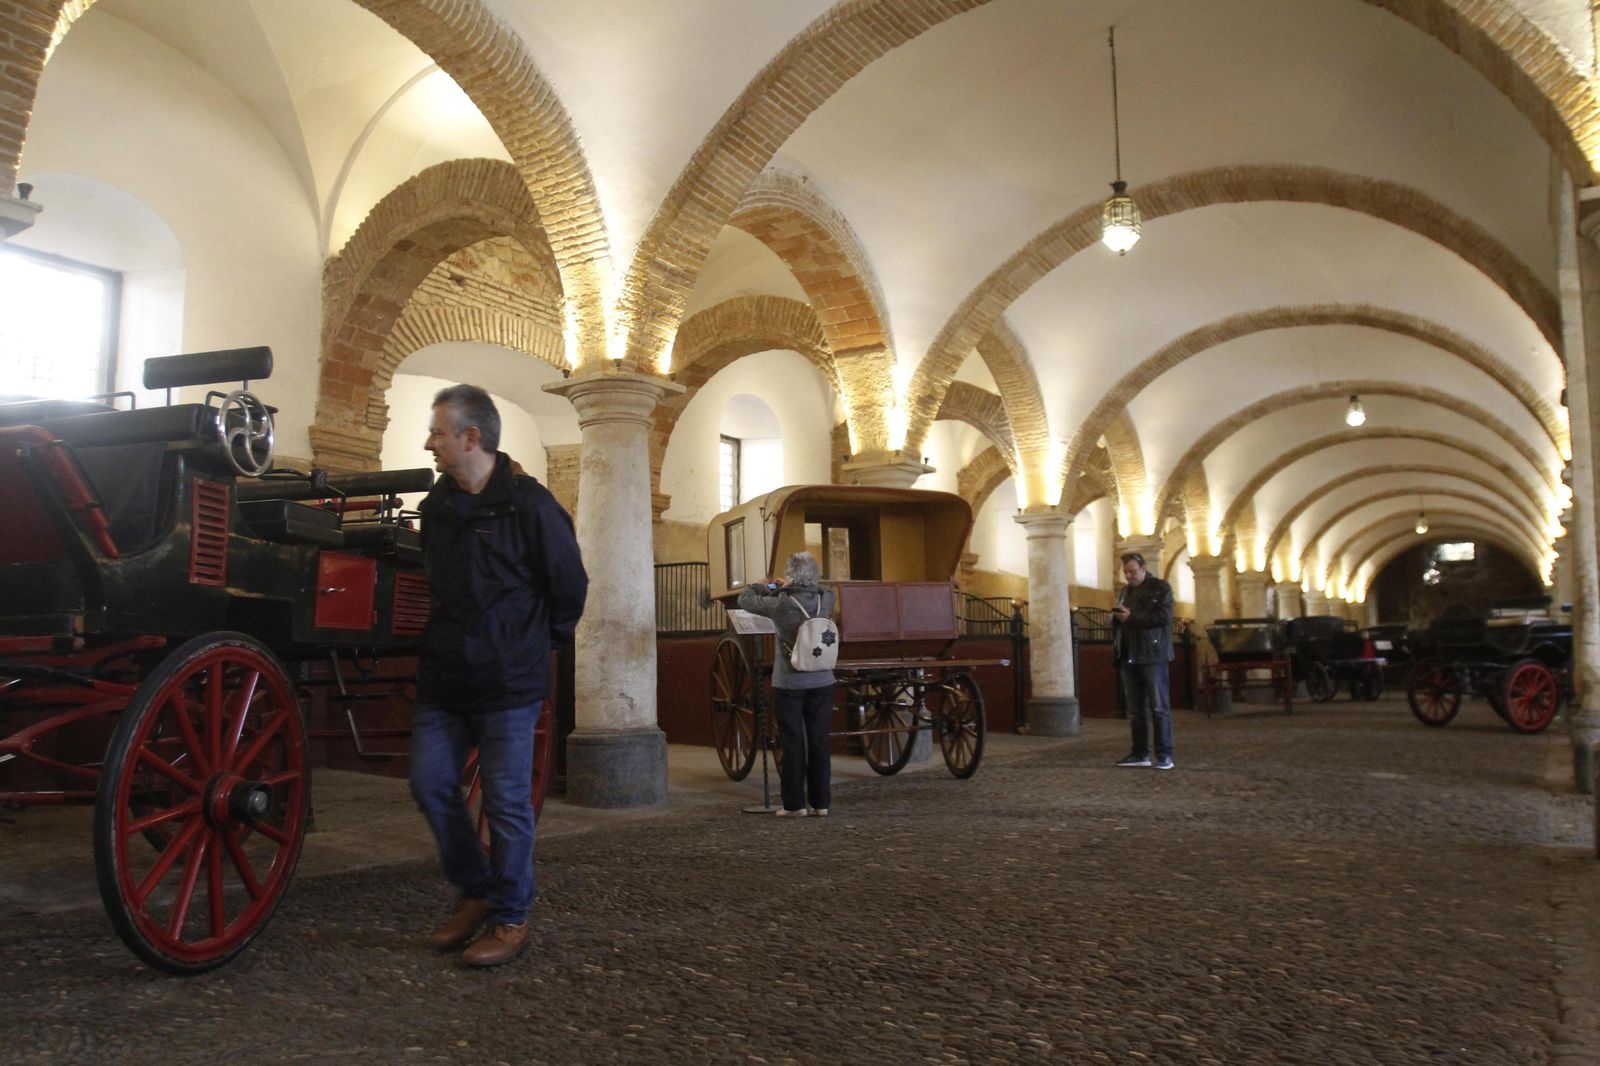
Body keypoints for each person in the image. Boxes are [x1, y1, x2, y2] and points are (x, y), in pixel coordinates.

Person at [410, 384, 587, 967]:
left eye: (438, 431)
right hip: (446, 675)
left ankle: (511, 917)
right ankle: (477, 888)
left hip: (508, 679)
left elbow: (569, 586)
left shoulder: (529, 505)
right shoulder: (437, 508)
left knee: (508, 802)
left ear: (471, 437)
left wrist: (536, 645)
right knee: (431, 783)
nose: (430, 442)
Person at [737, 551, 837, 816]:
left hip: (790, 682)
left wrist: (769, 585)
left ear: (791, 574)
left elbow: (745, 599)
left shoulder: (782, 603)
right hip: (823, 680)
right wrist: (806, 582)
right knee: (819, 741)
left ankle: (794, 805)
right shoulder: (825, 598)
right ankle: (821, 803)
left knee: (792, 742)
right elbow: (827, 588)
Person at [1111, 551, 1176, 771]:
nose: (1128, 576)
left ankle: (1165, 755)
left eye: (1132, 571)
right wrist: (1117, 617)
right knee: (1137, 709)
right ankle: (1140, 753)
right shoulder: (1125, 591)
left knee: (1159, 707)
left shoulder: (1161, 588)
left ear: (1143, 568)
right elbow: (1121, 622)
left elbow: (1164, 618)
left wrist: (1131, 617)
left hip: (1153, 655)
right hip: (1129, 655)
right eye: (1125, 572)